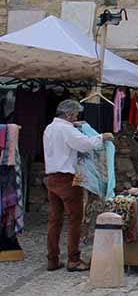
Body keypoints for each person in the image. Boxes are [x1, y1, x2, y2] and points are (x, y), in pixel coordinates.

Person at [43, 100, 114, 272]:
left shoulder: (50, 128)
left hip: (51, 177)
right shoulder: (66, 129)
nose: (76, 117)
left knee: (54, 220)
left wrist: (74, 125)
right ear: (68, 115)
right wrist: (102, 136)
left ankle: (52, 259)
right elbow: (85, 145)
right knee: (75, 220)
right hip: (67, 179)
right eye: (75, 114)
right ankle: (73, 259)